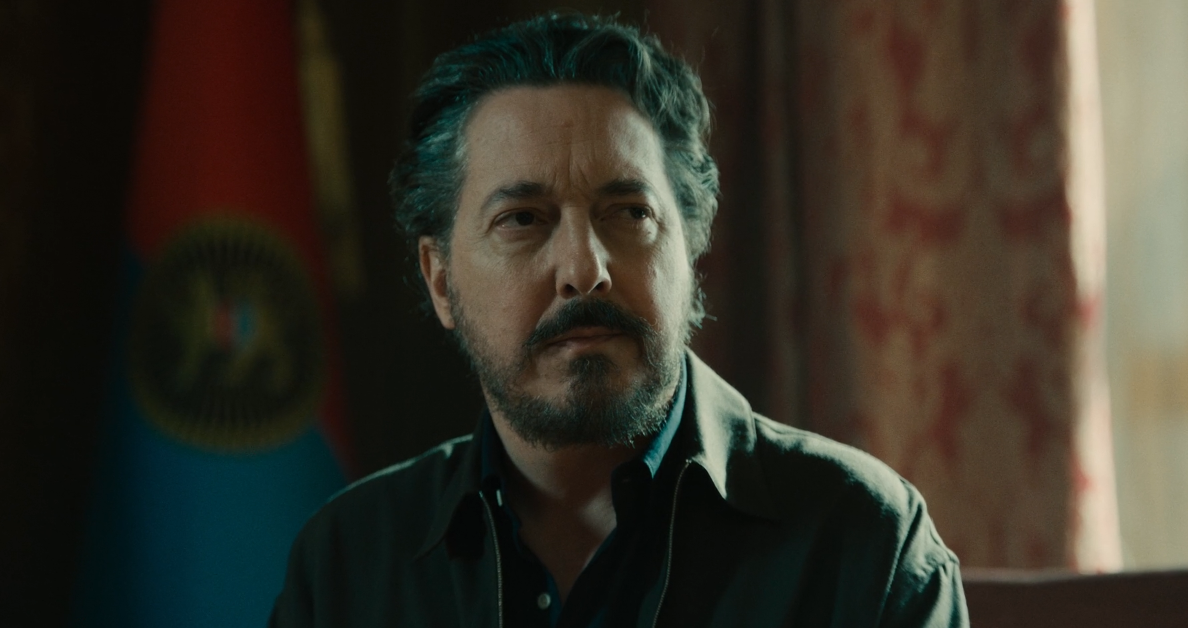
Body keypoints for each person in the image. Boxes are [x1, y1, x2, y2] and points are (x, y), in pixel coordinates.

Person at [269, 12, 968, 628]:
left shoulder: (862, 544)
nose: (584, 268)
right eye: (522, 219)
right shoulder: (349, 561)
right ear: (441, 280)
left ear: (692, 249)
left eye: (629, 213)